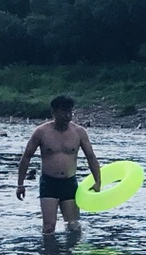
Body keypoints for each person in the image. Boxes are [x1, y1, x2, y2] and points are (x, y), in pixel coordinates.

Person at [15, 94, 102, 236]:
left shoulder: (79, 132)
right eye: (64, 112)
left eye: (70, 112)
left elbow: (91, 157)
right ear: (54, 112)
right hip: (49, 183)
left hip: (69, 183)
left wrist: (98, 181)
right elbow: (26, 158)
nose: (68, 116)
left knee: (74, 227)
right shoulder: (41, 132)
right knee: (49, 227)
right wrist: (20, 184)